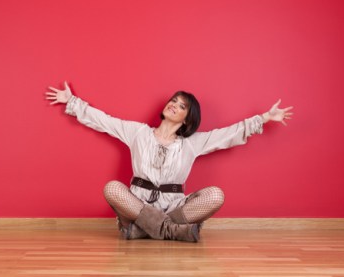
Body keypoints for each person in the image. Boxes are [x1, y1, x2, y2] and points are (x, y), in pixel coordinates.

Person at [45, 82, 293, 242]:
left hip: (176, 209)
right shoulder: (138, 133)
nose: (174, 105)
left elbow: (228, 134)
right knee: (112, 188)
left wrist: (264, 117)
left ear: (187, 119)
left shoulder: (191, 143)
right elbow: (104, 121)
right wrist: (72, 101)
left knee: (216, 195)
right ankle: (171, 232)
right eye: (174, 100)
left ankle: (143, 231)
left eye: (182, 106)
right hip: (138, 205)